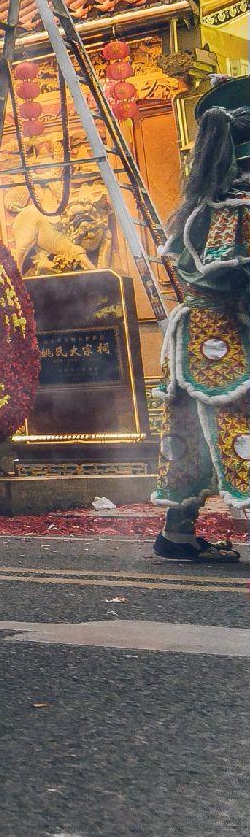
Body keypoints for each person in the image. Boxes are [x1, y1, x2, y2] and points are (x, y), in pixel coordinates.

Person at [152, 75, 250, 561]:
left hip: (199, 339)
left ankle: (177, 534)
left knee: (189, 435)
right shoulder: (237, 205)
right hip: (225, 341)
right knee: (237, 427)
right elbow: (231, 275)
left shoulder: (205, 201)